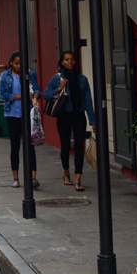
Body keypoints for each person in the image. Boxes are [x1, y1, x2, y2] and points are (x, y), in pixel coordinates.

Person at [44, 50, 96, 191]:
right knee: (65, 146)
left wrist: (93, 121)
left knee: (79, 146)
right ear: (62, 62)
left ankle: (78, 177)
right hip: (64, 116)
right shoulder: (57, 78)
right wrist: (58, 88)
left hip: (78, 115)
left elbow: (88, 100)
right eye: (66, 59)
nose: (70, 62)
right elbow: (46, 95)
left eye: (72, 59)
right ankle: (66, 173)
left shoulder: (82, 79)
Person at [0, 51, 40, 188]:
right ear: (11, 63)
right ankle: (15, 178)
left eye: (21, 63)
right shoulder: (5, 76)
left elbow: (38, 90)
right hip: (12, 114)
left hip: (27, 113)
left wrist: (34, 97)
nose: (19, 66)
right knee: (15, 146)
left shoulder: (29, 74)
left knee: (30, 145)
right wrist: (20, 96)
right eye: (16, 63)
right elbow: (3, 94)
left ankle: (33, 178)